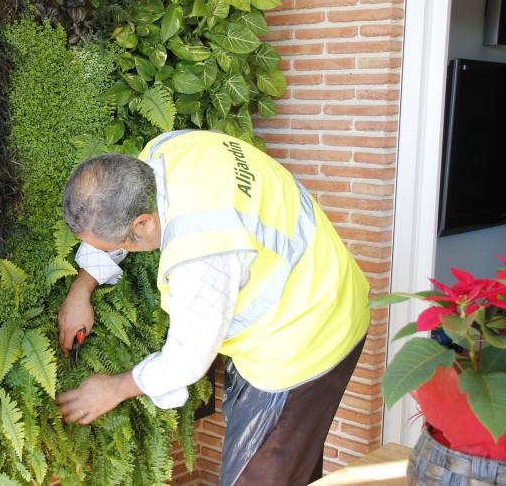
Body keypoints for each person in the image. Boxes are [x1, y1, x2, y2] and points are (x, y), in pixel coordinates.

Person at [55, 129, 370, 485]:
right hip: (324, 279)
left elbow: (186, 361)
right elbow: (114, 221)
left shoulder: (201, 250)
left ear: (142, 224)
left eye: (115, 243)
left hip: (307, 334)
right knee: (292, 468)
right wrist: (82, 288)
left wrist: (113, 388)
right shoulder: (165, 152)